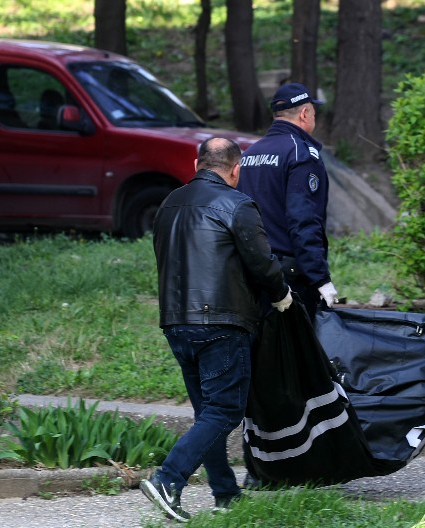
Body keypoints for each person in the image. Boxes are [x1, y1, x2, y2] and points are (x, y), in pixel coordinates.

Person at [142, 137, 293, 522]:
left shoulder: (168, 204)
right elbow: (262, 262)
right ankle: (167, 479)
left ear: (197, 165)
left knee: (207, 414)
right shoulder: (237, 204)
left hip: (175, 321)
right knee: (224, 411)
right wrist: (281, 294)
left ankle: (226, 494)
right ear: (236, 170)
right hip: (221, 322)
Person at [237, 82, 338, 321]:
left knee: (261, 339)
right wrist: (319, 277)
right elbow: (304, 219)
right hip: (288, 275)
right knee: (296, 342)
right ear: (304, 113)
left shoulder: (249, 154)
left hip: (249, 268)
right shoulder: (301, 153)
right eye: (314, 112)